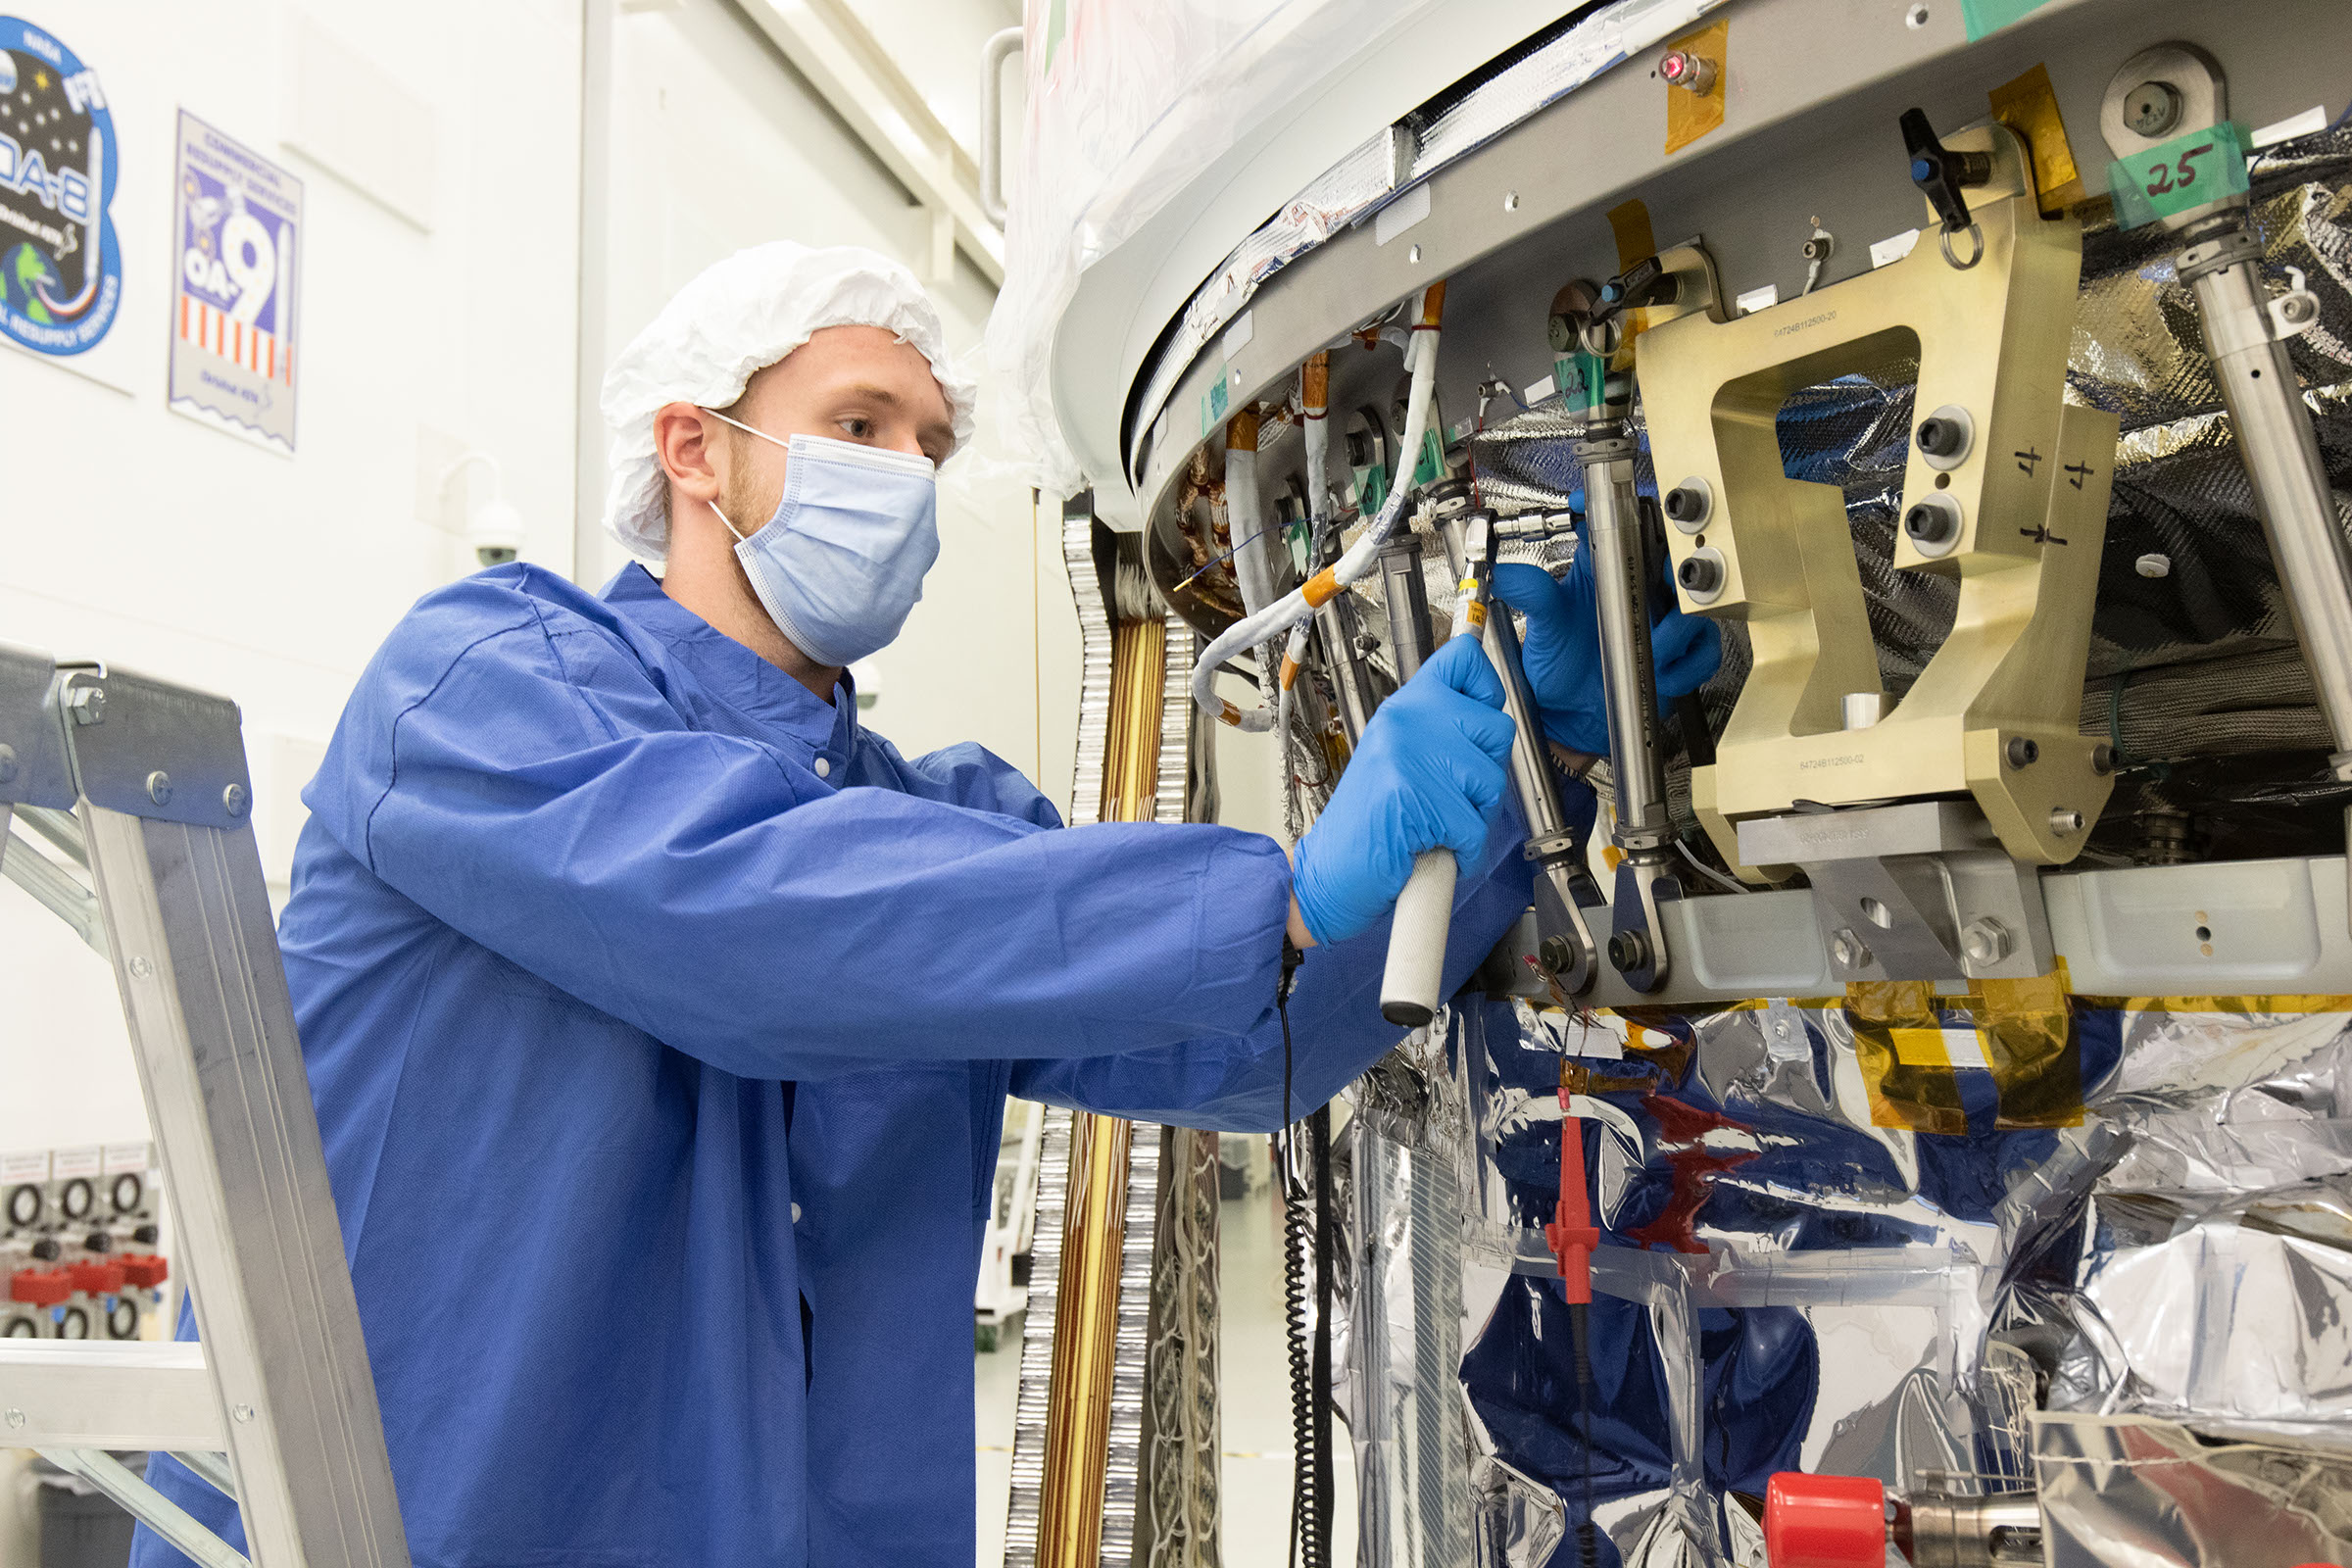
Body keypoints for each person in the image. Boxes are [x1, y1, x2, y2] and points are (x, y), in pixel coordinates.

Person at [130, 242, 1715, 1568]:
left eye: (932, 446)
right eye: (859, 423)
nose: (908, 480)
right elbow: (751, 927)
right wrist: (1278, 899)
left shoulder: (926, 821)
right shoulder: (483, 687)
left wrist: (1525, 760)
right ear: (695, 449)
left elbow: (1258, 1045)